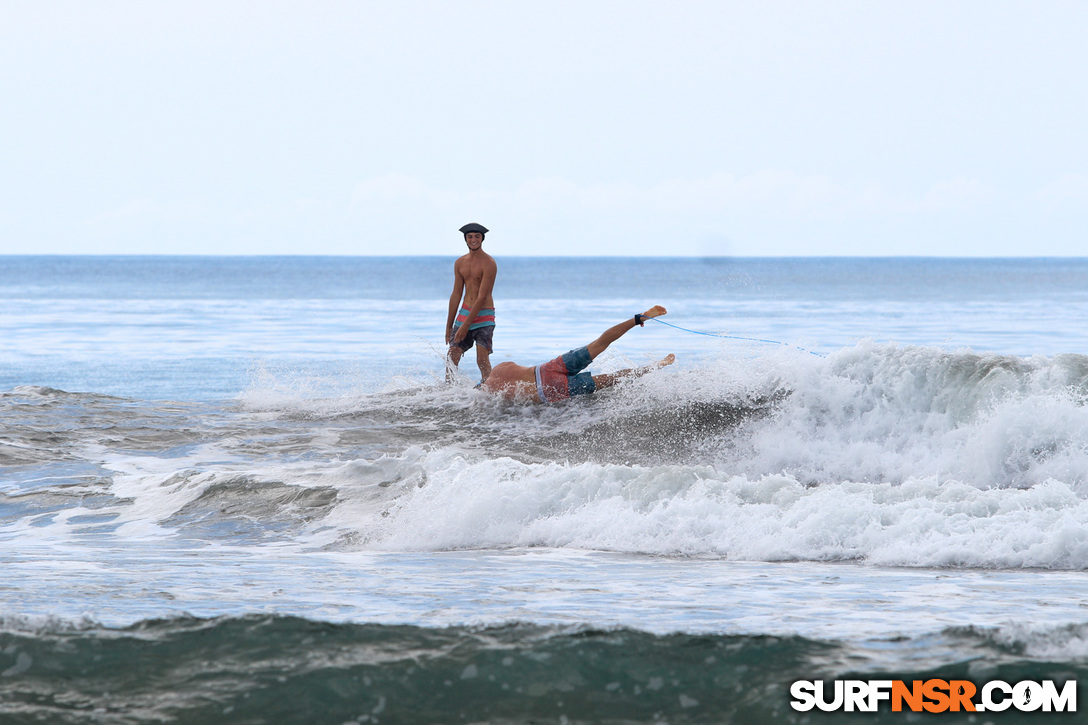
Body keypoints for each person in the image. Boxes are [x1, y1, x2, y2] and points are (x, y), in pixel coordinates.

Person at [481, 306, 675, 402]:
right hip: (548, 368)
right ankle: (638, 318)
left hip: (551, 389)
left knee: (612, 378)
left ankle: (658, 365)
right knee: (600, 343)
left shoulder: (492, 392)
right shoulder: (501, 368)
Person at [446, 222, 497, 383]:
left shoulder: (489, 263)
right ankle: (449, 393)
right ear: (465, 239)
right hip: (464, 313)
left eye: (477, 237)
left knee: (481, 359)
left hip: (484, 315)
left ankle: (489, 392)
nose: (473, 240)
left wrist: (465, 326)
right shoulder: (460, 263)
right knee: (452, 356)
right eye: (470, 237)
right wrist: (449, 326)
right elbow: (456, 294)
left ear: (482, 239)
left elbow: (482, 297)